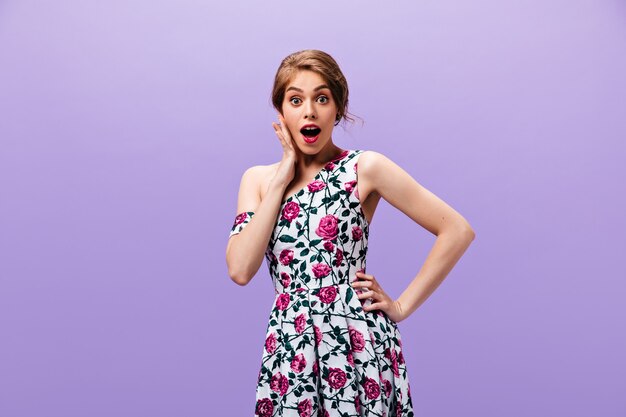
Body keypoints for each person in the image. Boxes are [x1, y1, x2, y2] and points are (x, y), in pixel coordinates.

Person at [225, 49, 475, 417]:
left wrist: (401, 306)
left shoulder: (364, 167)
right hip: (291, 344)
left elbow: (457, 230)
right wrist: (282, 179)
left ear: (337, 109)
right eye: (296, 100)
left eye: (321, 98)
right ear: (281, 112)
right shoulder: (258, 180)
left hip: (355, 344)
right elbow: (241, 270)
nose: (309, 111)